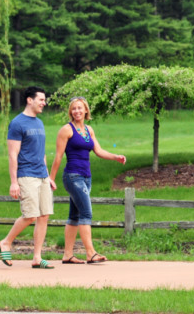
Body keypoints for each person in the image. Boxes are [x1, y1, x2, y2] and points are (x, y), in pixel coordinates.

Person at [49, 96, 126, 264]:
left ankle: (67, 255)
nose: (76, 111)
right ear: (71, 112)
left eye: (79, 108)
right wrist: (51, 178)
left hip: (86, 177)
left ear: (85, 111)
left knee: (74, 216)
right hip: (72, 176)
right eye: (73, 109)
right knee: (86, 213)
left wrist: (115, 157)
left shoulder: (89, 130)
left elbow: (98, 150)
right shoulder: (66, 130)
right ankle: (90, 253)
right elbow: (58, 156)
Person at [0, 86, 56, 269]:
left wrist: (48, 176)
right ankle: (5, 242)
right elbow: (13, 155)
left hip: (42, 175)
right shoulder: (17, 123)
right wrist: (14, 182)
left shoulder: (39, 122)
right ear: (30, 100)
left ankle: (37, 257)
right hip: (26, 175)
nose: (44, 103)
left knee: (44, 215)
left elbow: (41, 152)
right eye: (41, 99)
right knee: (30, 216)